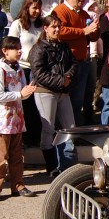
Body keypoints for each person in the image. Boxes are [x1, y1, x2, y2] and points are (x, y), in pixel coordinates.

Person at [0, 36, 38, 201]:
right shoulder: (0, 71)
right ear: (4, 51)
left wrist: (27, 92)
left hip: (17, 119)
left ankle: (18, 184)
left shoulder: (19, 70)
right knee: (1, 155)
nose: (19, 51)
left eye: (19, 48)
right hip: (3, 120)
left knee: (17, 154)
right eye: (15, 48)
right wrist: (20, 94)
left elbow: (22, 92)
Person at [29, 15, 78, 175]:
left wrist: (68, 78)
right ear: (46, 28)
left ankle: (68, 165)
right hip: (45, 91)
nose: (57, 30)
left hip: (63, 92)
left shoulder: (64, 46)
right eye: (53, 27)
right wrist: (60, 80)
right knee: (49, 128)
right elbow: (39, 73)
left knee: (70, 128)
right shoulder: (38, 49)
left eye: (58, 26)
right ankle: (51, 166)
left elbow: (73, 63)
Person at [51, 0, 100, 125]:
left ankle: (76, 132)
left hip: (82, 62)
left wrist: (94, 29)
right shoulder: (60, 11)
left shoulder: (84, 14)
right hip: (65, 64)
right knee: (65, 101)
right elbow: (60, 31)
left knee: (78, 101)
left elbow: (93, 37)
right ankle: (64, 135)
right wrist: (84, 31)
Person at [8, 0, 44, 145]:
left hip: (39, 69)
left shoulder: (42, 25)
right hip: (24, 68)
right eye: (33, 7)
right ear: (27, 8)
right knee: (26, 103)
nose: (36, 11)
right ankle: (26, 137)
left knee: (38, 104)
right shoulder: (18, 24)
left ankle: (37, 136)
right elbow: (11, 44)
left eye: (38, 8)